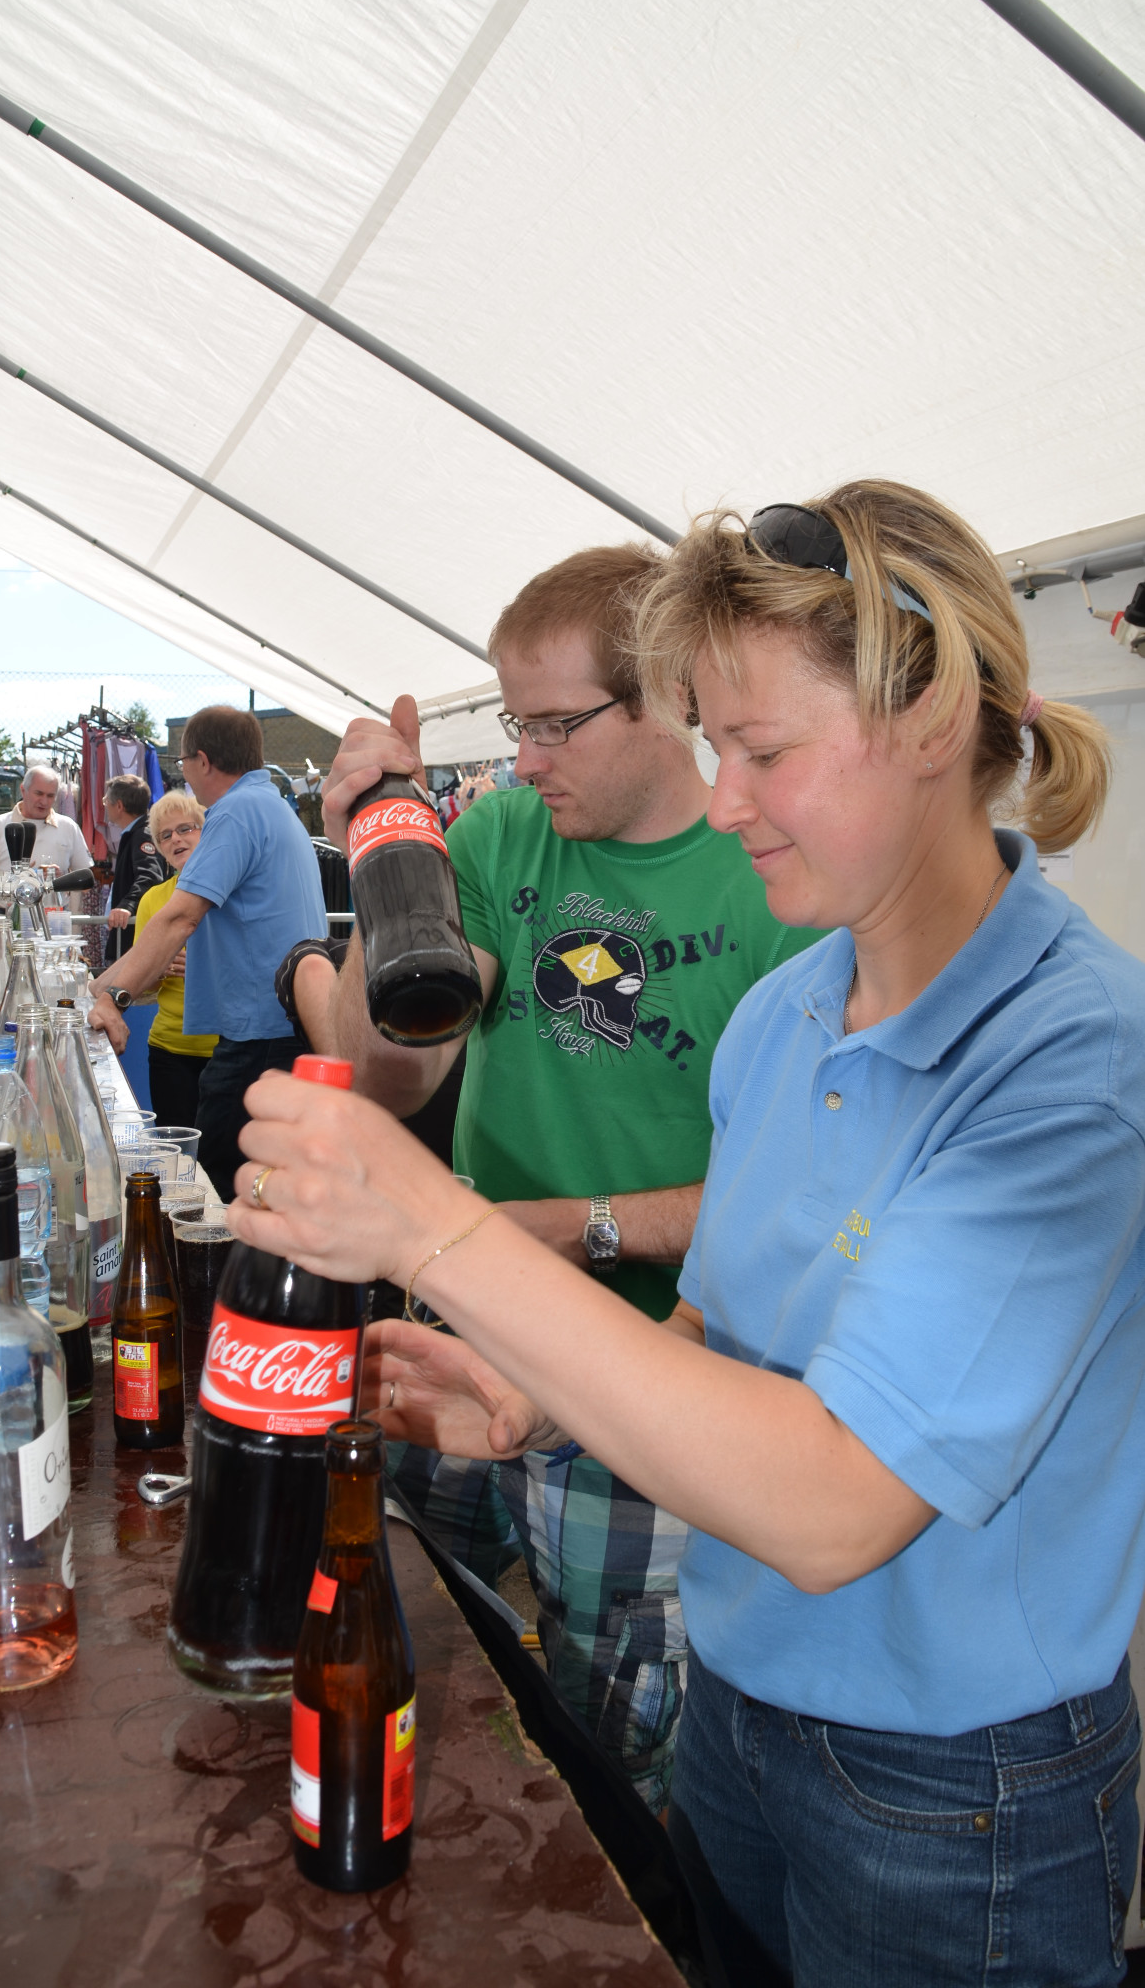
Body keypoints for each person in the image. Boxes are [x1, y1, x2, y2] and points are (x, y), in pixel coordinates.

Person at [229, 480, 1145, 1988]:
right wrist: (530, 1397)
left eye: (767, 750)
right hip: (736, 1701)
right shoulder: (790, 1012)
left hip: (951, 1791)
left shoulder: (1069, 1065)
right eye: (717, 747)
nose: (725, 801)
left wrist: (441, 1231)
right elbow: (719, 1323)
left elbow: (841, 1502)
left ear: (936, 720)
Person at [286, 542, 819, 1811]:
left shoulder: (778, 885)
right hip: (462, 1347)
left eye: (553, 724)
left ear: (668, 698)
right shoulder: (505, 831)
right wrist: (382, 858)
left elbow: (788, 1206)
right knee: (403, 1631)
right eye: (514, 721)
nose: (522, 756)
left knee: (617, 1739)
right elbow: (392, 1074)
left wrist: (556, 1230)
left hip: (648, 1384)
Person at [87, 705, 326, 1203]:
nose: (184, 775)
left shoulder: (236, 812)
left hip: (262, 1034)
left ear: (202, 761)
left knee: (215, 1182)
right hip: (284, 1026)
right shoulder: (274, 804)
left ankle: (218, 1282)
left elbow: (179, 917)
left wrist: (110, 992)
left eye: (184, 763)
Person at [133, 789, 217, 1127]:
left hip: (227, 1052)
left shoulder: (230, 891)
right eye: (165, 835)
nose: (176, 839)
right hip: (169, 1050)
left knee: (220, 1161)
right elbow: (140, 986)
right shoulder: (153, 899)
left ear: (205, 831)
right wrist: (158, 968)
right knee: (179, 1159)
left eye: (185, 829)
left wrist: (201, 969)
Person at [0, 765, 94, 879]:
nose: (44, 801)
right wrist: (15, 880)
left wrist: (61, 879)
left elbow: (86, 883)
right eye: (39, 793)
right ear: (23, 790)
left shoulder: (68, 827)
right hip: (9, 904)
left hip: (53, 905)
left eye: (50, 796)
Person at [103, 773, 166, 963]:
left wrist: (128, 905)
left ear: (119, 806)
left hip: (132, 941)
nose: (104, 804)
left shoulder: (142, 835)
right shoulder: (135, 833)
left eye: (106, 800)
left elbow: (150, 876)